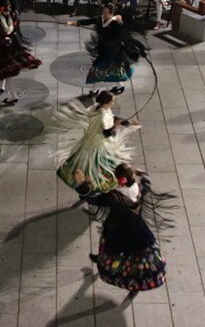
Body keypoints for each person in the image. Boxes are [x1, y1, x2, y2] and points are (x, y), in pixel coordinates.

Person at [72, 163, 167, 301]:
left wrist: (82, 184)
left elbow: (94, 199)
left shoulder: (114, 197)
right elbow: (147, 185)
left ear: (119, 179)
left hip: (118, 229)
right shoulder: (138, 189)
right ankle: (134, 285)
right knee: (136, 258)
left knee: (112, 247)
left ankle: (105, 262)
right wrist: (144, 175)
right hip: (138, 229)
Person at [57, 90, 140, 192]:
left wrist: (129, 123)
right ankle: (88, 178)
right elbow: (106, 133)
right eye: (112, 101)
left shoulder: (100, 108)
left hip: (94, 141)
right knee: (92, 161)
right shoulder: (101, 116)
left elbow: (113, 118)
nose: (113, 103)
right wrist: (116, 125)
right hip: (94, 143)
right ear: (107, 102)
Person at [68, 4, 146, 96]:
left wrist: (113, 18)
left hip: (113, 50)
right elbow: (89, 21)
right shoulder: (100, 19)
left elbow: (119, 18)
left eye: (106, 12)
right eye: (103, 12)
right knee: (108, 70)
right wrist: (74, 23)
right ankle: (119, 87)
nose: (103, 14)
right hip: (104, 49)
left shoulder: (115, 22)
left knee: (100, 69)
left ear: (111, 13)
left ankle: (95, 91)